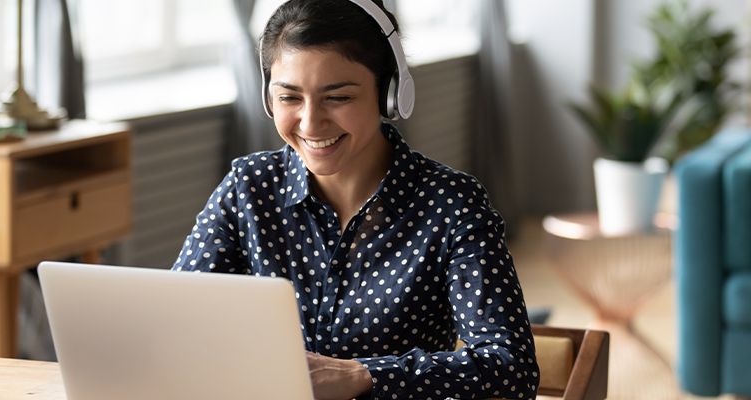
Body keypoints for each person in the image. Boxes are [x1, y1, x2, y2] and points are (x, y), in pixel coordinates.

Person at [172, 0, 539, 398]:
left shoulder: (452, 204)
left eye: (338, 97)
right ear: (267, 98)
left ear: (390, 94)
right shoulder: (248, 188)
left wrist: (366, 375)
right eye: (289, 98)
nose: (311, 123)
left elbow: (511, 365)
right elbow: (174, 318)